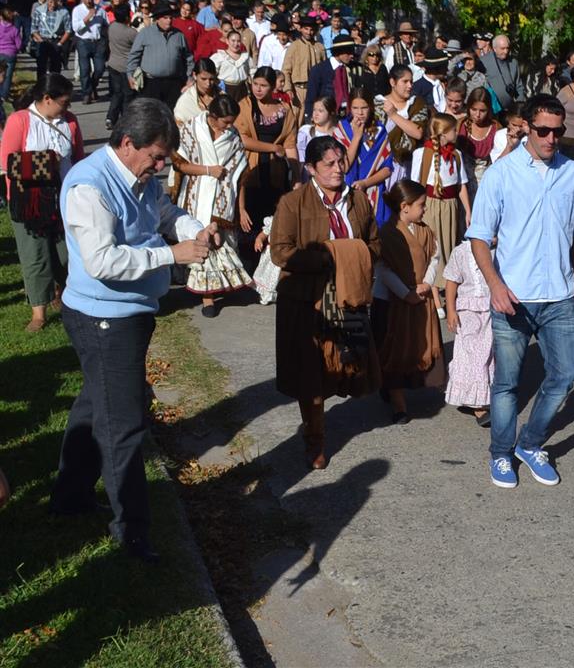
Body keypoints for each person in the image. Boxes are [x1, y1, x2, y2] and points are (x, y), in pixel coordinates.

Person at [51, 97, 220, 563]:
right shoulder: (89, 186)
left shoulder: (141, 175)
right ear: (127, 143)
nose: (163, 166)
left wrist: (194, 228)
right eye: (157, 157)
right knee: (123, 425)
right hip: (104, 317)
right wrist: (173, 255)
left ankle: (69, 498)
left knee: (94, 406)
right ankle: (133, 532)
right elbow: (102, 261)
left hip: (130, 312)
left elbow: (163, 213)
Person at [465, 94, 574, 488]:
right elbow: (479, 238)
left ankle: (531, 443)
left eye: (558, 131)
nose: (552, 138)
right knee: (506, 383)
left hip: (560, 295)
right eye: (543, 131)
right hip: (513, 296)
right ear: (526, 128)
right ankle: (501, 453)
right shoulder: (501, 175)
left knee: (566, 373)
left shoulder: (572, 174)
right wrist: (496, 286)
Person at [271, 136, 381, 469]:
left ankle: (327, 411)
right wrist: (329, 257)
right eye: (329, 164)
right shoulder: (293, 203)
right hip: (307, 300)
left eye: (341, 162)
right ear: (311, 168)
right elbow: (281, 251)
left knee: (347, 363)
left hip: (349, 296)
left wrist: (353, 257)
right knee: (311, 373)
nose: (337, 170)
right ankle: (314, 439)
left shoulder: (358, 200)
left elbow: (374, 244)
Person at [1, 74, 85, 332]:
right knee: (35, 255)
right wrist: (48, 162)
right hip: (29, 201)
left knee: (65, 253)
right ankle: (39, 311)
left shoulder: (69, 122)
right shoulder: (20, 121)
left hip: (64, 197)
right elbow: (6, 164)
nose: (67, 107)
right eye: (64, 101)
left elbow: (80, 158)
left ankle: (64, 294)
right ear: (47, 99)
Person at [374, 178, 445, 424]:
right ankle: (398, 405)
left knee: (417, 345)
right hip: (393, 302)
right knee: (395, 351)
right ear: (405, 206)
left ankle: (410, 386)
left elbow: (434, 256)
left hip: (419, 298)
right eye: (421, 205)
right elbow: (382, 268)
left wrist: (425, 283)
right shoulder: (386, 233)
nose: (425, 209)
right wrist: (405, 292)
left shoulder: (425, 230)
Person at [174, 95, 253, 316]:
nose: (229, 126)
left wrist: (242, 208)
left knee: (220, 244)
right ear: (213, 117)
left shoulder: (233, 135)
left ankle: (218, 286)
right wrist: (208, 170)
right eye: (225, 122)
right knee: (203, 242)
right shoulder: (191, 128)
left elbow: (240, 174)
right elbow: (180, 163)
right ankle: (207, 298)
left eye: (232, 122)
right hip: (196, 194)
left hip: (223, 198)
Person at [235, 67, 299, 238]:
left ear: (272, 87)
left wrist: (296, 176)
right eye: (255, 84)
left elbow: (290, 144)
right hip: (251, 169)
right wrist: (272, 148)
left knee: (273, 219)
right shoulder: (245, 106)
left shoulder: (284, 109)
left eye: (263, 85)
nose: (258, 89)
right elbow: (243, 139)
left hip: (275, 172)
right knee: (249, 220)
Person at [409, 112, 472, 281]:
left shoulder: (456, 155)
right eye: (453, 130)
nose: (456, 133)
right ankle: (431, 284)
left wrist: (467, 211)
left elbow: (461, 186)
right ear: (444, 133)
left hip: (450, 206)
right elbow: (414, 184)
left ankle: (446, 284)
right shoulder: (422, 154)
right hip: (429, 205)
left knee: (448, 245)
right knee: (432, 246)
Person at [444, 236, 494, 427]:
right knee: (471, 355)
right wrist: (451, 310)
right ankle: (477, 404)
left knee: (488, 353)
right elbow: (451, 281)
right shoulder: (461, 251)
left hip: (490, 308)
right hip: (467, 310)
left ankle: (481, 397)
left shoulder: (497, 250)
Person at [336, 88, 395, 226]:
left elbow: (387, 169)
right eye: (355, 108)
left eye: (364, 108)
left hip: (375, 192)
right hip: (348, 191)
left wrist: (365, 183)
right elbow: (343, 166)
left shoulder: (380, 131)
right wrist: (357, 136)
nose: (360, 113)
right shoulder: (341, 129)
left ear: (371, 107)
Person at [126, 3, 193, 108]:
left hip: (173, 83)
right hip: (151, 83)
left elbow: (188, 58)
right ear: (157, 19)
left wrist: (189, 77)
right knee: (151, 114)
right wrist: (130, 75)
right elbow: (134, 55)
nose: (169, 20)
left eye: (171, 18)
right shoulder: (145, 33)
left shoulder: (179, 35)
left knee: (172, 114)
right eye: (165, 18)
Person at [381, 63, 430, 168]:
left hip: (411, 163)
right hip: (383, 164)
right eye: (405, 81)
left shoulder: (417, 103)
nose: (410, 86)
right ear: (393, 82)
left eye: (411, 82)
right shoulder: (378, 104)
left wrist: (393, 115)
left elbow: (418, 133)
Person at [104, 5, 137, 130]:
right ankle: (125, 120)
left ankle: (110, 118)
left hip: (113, 64)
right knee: (128, 95)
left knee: (117, 93)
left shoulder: (111, 27)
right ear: (127, 17)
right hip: (126, 67)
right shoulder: (131, 33)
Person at [71, 0, 107, 103]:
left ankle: (92, 86)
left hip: (97, 42)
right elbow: (75, 28)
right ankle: (86, 93)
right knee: (85, 69)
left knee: (100, 68)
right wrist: (87, 17)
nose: (88, 1)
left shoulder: (100, 10)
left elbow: (106, 25)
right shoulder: (77, 10)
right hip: (83, 41)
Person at [305, 35, 357, 114]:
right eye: (348, 52)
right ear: (339, 52)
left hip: (346, 114)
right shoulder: (319, 70)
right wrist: (310, 116)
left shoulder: (351, 69)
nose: (352, 55)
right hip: (326, 115)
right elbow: (311, 97)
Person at [282, 15, 325, 107]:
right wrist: (288, 89)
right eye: (306, 29)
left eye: (312, 29)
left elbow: (325, 71)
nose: (309, 32)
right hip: (298, 91)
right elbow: (286, 70)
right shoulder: (294, 47)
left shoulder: (320, 47)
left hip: (316, 91)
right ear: (300, 29)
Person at [460, 87, 499, 185]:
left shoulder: (496, 128)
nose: (477, 115)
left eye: (482, 111)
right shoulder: (461, 126)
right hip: (465, 181)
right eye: (474, 109)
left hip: (488, 180)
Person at [30, 0, 70, 79]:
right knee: (41, 66)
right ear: (47, 0)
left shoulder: (64, 12)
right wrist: (40, 40)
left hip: (56, 40)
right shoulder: (39, 11)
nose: (52, 5)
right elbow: (33, 29)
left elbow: (68, 30)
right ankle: (41, 87)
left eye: (55, 2)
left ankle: (54, 87)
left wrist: (60, 43)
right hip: (43, 40)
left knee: (55, 67)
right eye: (50, 2)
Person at [480, 33, 524, 110]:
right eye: (502, 48)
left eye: (507, 48)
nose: (506, 51)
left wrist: (520, 104)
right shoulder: (484, 62)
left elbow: (519, 85)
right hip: (491, 109)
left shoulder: (514, 62)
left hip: (510, 108)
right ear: (494, 48)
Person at [173, 58, 219, 128]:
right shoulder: (185, 101)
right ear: (195, 75)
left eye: (211, 79)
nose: (208, 83)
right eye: (203, 79)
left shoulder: (222, 96)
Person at [211, 29, 253, 101]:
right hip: (225, 90)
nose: (236, 44)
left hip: (242, 90)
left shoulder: (245, 57)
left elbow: (253, 72)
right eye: (233, 41)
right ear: (227, 41)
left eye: (238, 41)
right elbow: (211, 73)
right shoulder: (219, 56)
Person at [0, 8, 20, 126]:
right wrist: (15, 49)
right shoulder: (14, 29)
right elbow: (18, 44)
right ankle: (4, 95)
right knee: (7, 76)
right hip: (10, 53)